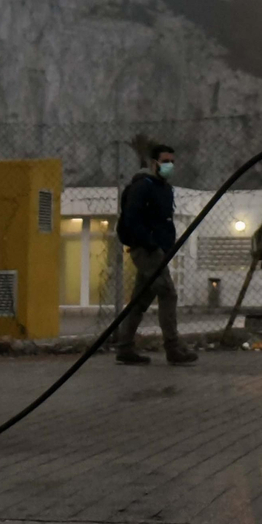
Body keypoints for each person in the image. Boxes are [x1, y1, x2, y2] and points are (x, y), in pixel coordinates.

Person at [114, 144, 198, 366]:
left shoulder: (164, 188)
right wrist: (150, 243)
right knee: (168, 293)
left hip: (158, 251)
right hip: (147, 250)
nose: (169, 165)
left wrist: (166, 246)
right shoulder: (142, 187)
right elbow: (132, 219)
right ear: (153, 163)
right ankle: (173, 347)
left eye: (172, 161)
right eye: (165, 161)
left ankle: (124, 347)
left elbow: (165, 222)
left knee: (140, 301)